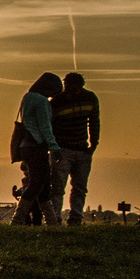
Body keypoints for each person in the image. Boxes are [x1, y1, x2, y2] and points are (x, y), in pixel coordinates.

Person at [11, 72, 64, 226]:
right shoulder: (42, 102)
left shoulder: (27, 98)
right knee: (36, 184)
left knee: (44, 185)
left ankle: (52, 221)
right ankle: (17, 219)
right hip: (37, 146)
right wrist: (54, 146)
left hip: (26, 145)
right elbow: (45, 127)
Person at [49, 71, 100, 226]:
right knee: (59, 186)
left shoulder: (90, 98)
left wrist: (93, 144)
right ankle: (55, 217)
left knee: (79, 187)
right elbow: (51, 126)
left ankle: (75, 218)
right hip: (63, 149)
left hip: (81, 150)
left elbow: (94, 122)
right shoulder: (56, 102)